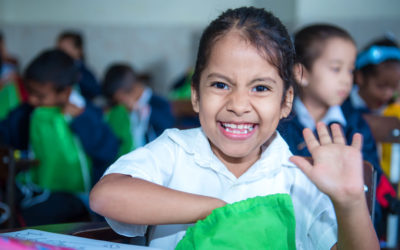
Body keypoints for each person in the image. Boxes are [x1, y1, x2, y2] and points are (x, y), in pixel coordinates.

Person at [90, 7, 379, 249]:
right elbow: (106, 196)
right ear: (195, 95)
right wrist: (220, 208)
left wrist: (351, 203)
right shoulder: (176, 151)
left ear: (285, 101)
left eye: (261, 87)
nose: (239, 105)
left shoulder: (299, 178)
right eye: (220, 84)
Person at [0, 49, 119, 225]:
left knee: (41, 212)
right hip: (37, 187)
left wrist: (81, 119)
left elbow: (108, 151)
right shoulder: (27, 113)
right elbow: (5, 133)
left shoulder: (87, 114)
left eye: (40, 96)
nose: (32, 100)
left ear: (65, 93)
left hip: (80, 196)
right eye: (29, 92)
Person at [102, 63, 175, 153]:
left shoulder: (160, 105)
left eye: (121, 100)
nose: (120, 104)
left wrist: (142, 110)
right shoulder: (117, 108)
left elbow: (167, 128)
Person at [57, 31, 101, 101]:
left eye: (64, 50)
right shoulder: (55, 70)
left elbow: (96, 91)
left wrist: (78, 77)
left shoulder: (84, 72)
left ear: (78, 50)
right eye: (58, 49)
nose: (59, 54)